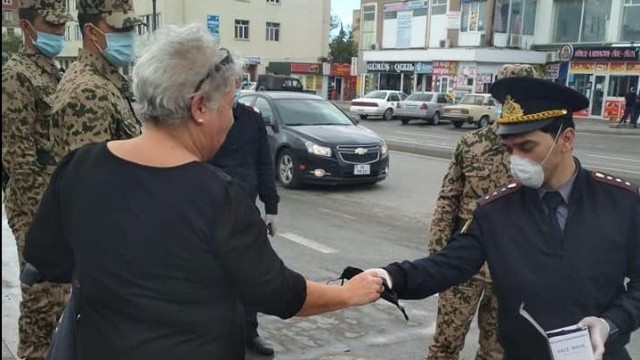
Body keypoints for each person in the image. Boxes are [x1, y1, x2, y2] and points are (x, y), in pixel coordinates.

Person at [22, 24, 383, 360]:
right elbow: (279, 293)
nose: (231, 119)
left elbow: (46, 258)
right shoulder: (218, 198)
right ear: (198, 108)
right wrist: (348, 293)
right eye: (228, 107)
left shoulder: (80, 166)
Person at [367, 77, 639, 360]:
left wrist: (612, 323)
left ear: (566, 139)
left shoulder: (621, 201)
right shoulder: (497, 210)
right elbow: (448, 264)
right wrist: (389, 277)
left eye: (527, 146)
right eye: (509, 150)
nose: (516, 160)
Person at [426, 64, 540, 360]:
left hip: (513, 267)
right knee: (445, 345)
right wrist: (438, 256)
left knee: (496, 351)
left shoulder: (542, 148)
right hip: (464, 261)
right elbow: (447, 200)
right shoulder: (472, 143)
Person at [1, 1, 72, 359]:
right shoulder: (16, 76)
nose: (58, 33)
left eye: (61, 27)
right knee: (42, 298)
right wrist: (41, 220)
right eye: (51, 26)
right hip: (34, 205)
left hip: (56, 201)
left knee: (60, 296)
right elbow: (18, 154)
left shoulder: (53, 71)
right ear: (27, 28)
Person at [208, 85, 280, 356]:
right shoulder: (205, 115)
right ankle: (216, 335)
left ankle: (249, 332)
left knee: (251, 273)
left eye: (235, 81)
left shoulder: (251, 118)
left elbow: (264, 163)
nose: (232, 87)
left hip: (246, 210)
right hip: (211, 209)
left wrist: (271, 207)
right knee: (215, 276)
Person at [50, 0, 142, 161]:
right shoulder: (88, 93)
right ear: (91, 31)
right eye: (121, 28)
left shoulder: (101, 78)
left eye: (131, 28)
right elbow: (92, 178)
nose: (129, 35)